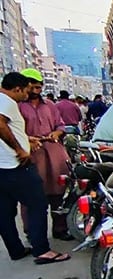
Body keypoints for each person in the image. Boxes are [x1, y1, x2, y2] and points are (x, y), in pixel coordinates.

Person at [0, 72, 70, 264]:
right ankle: (41, 249)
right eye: (28, 89)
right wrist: (19, 148)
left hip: (8, 165)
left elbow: (60, 126)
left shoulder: (49, 105)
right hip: (17, 163)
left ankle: (16, 250)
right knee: (37, 204)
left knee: (5, 211)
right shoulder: (8, 102)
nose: (30, 93)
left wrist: (26, 139)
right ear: (18, 89)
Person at [18, 68, 73, 241]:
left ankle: (60, 228)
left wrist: (57, 133)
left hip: (54, 153)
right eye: (32, 87)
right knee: (31, 196)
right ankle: (31, 232)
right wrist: (28, 139)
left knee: (58, 192)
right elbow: (12, 132)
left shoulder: (50, 105)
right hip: (31, 155)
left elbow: (60, 125)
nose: (35, 91)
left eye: (38, 88)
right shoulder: (18, 106)